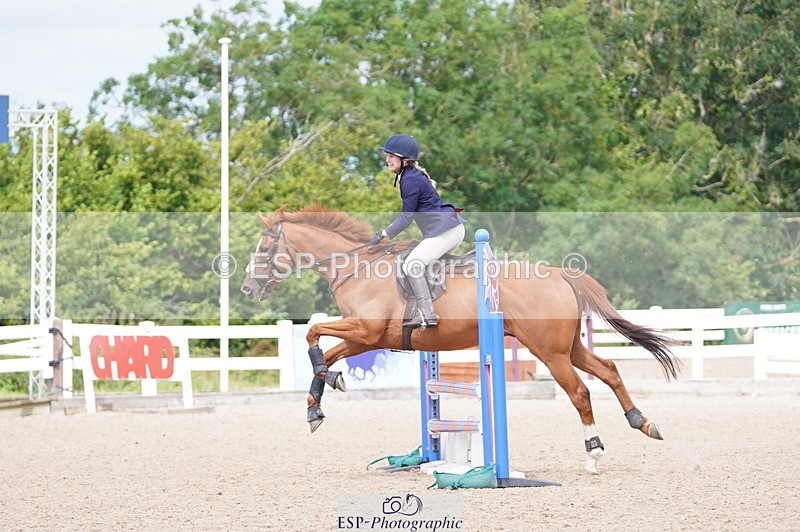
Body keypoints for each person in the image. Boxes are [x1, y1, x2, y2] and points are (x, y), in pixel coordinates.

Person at [370, 134, 467, 329]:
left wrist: (384, 234)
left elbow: (406, 218)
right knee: (422, 264)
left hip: (446, 232)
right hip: (449, 229)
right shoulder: (410, 175)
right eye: (387, 155)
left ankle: (426, 314)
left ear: (404, 160)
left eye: (391, 156)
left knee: (412, 265)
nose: (387, 159)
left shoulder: (410, 180)